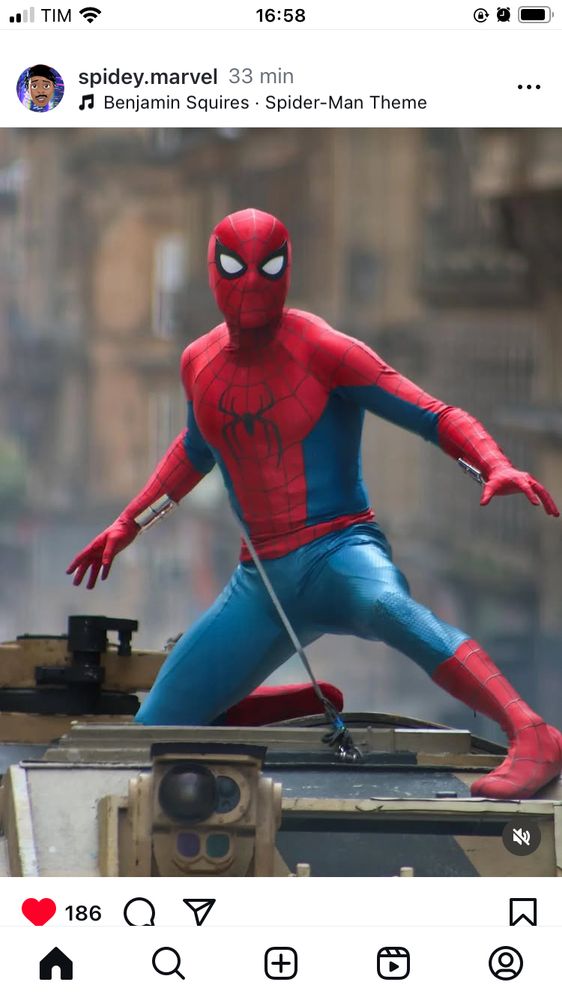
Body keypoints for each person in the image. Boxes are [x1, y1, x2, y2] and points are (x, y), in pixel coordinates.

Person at [68, 207, 562, 799]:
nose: (253, 283)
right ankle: (230, 704)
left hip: (341, 551)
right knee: (154, 729)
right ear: (214, 269)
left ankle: (532, 732)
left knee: (392, 609)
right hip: (263, 584)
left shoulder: (325, 349)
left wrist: (493, 463)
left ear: (287, 269)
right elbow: (197, 448)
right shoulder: (198, 362)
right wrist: (128, 524)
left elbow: (433, 414)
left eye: (269, 267)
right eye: (237, 267)